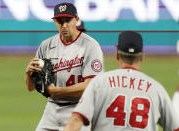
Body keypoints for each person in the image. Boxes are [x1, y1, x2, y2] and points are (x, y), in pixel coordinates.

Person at [64, 31, 179, 131]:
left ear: (117, 54)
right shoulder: (157, 89)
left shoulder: (99, 83)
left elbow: (76, 118)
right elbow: (175, 128)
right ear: (142, 56)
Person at [25, 2, 103, 131]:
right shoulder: (46, 45)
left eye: (68, 20)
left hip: (79, 109)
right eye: (60, 21)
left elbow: (91, 85)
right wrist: (28, 73)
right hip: (52, 109)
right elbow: (30, 87)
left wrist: (58, 91)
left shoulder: (90, 46)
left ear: (76, 20)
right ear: (55, 21)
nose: (64, 25)